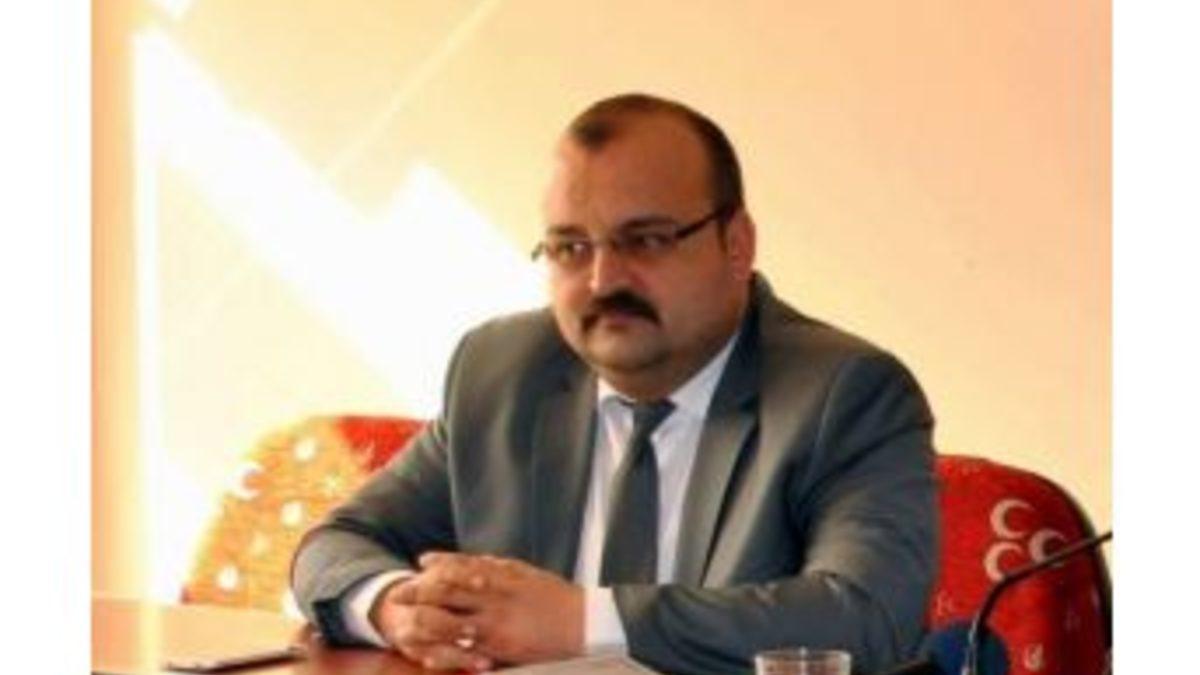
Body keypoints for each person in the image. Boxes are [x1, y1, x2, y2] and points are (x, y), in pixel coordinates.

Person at [291, 93, 938, 675]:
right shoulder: (503, 371)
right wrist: (395, 606)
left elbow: (866, 616)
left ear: (736, 244)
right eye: (571, 248)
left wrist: (584, 622)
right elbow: (337, 545)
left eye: (645, 240)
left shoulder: (843, 394)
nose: (603, 280)